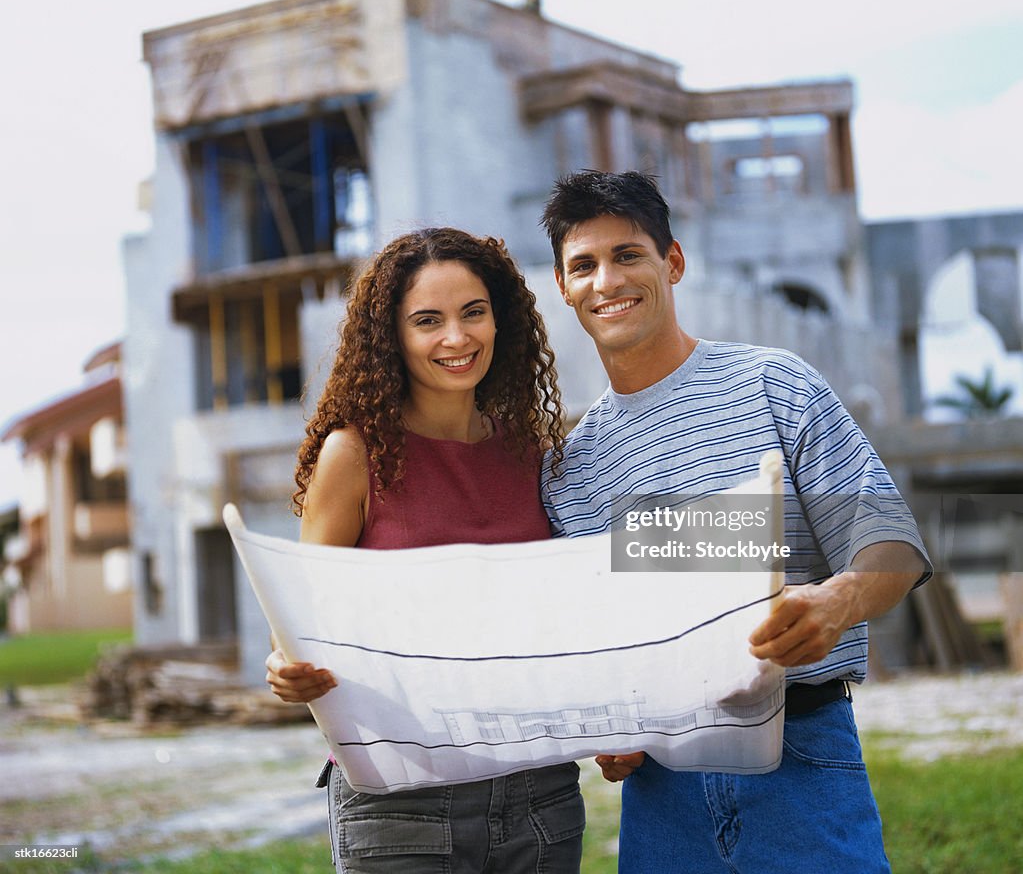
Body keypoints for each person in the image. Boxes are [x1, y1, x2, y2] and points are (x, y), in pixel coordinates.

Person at [539, 171, 931, 874]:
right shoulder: (573, 467)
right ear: (564, 288)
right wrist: (613, 728)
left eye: (627, 254)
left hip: (801, 755)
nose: (606, 280)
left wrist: (835, 601)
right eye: (583, 265)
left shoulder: (774, 383)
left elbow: (893, 547)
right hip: (661, 794)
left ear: (673, 263)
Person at [265, 227, 585, 874]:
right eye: (427, 321)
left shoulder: (536, 455)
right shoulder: (352, 455)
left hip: (536, 792)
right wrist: (287, 669)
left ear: (501, 320)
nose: (456, 338)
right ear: (391, 337)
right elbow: (303, 626)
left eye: (473, 313)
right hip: (399, 795)